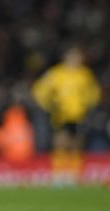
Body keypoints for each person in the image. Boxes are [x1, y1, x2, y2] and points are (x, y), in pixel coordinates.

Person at [32, 44, 101, 185]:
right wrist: (49, 105)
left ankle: (74, 174)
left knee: (77, 144)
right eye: (73, 56)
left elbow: (94, 93)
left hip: (79, 115)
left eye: (78, 56)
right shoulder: (56, 74)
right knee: (60, 143)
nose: (76, 59)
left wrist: (88, 106)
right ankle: (59, 174)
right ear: (66, 57)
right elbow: (39, 91)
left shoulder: (85, 75)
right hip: (61, 115)